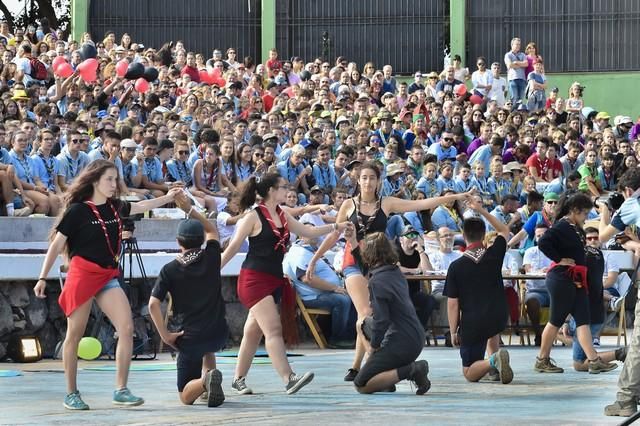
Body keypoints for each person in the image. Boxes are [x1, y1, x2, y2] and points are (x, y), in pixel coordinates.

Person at [33, 160, 182, 410]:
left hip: (108, 274)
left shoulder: (115, 207)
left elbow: (141, 205)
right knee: (75, 335)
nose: (115, 185)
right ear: (94, 181)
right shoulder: (78, 211)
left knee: (126, 327)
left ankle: (121, 390)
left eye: (116, 179)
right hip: (82, 275)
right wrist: (42, 277)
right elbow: (57, 245)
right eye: (109, 180)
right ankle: (71, 393)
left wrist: (168, 197)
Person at [306, 161, 473, 381]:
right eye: (364, 177)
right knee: (365, 315)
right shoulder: (348, 205)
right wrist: (314, 259)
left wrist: (455, 197)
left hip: (378, 263)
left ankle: (358, 366)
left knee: (369, 315)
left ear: (378, 181)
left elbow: (419, 203)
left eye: (372, 178)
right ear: (358, 180)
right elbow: (334, 234)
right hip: (353, 260)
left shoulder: (387, 203)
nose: (367, 182)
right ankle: (374, 362)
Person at [220, 172, 350, 395]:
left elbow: (308, 231)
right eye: (283, 187)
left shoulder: (282, 214)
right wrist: (212, 270)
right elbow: (232, 248)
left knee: (253, 331)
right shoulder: (252, 216)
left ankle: (238, 379)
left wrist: (336, 227)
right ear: (271, 190)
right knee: (273, 329)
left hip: (273, 279)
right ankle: (288, 378)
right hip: (254, 280)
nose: (288, 191)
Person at [148, 190, 227, 407]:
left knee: (184, 396)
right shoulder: (211, 256)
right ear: (202, 240)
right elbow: (212, 229)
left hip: (190, 336)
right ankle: (211, 378)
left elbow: (153, 303)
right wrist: (190, 209)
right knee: (208, 346)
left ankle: (205, 381)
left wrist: (164, 335)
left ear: (177, 241)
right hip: (218, 332)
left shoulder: (170, 269)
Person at [533, 191, 617, 374]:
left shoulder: (574, 227)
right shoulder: (562, 225)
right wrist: (559, 259)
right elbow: (544, 242)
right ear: (574, 210)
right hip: (562, 277)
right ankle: (542, 359)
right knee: (556, 319)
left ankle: (594, 360)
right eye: (585, 214)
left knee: (583, 319)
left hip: (575, 279)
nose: (586, 218)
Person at [349, 231, 431, 395]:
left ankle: (412, 370)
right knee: (362, 324)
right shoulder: (396, 272)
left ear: (369, 255)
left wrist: (374, 347)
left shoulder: (377, 281)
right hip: (416, 335)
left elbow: (382, 321)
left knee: (361, 384)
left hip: (401, 341)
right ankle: (384, 378)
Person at [444, 196, 514, 384]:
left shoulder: (456, 266)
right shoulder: (494, 254)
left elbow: (452, 303)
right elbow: (504, 230)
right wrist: (481, 210)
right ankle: (495, 367)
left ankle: (493, 360)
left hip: (473, 322)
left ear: (463, 236)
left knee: (469, 372)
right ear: (484, 235)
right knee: (492, 329)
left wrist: (452, 331)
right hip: (498, 316)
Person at [557, 226, 627, 373]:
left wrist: (567, 320)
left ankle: (621, 353)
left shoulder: (580, 260)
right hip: (596, 314)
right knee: (582, 354)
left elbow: (574, 292)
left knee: (580, 364)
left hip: (584, 317)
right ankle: (592, 349)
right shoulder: (598, 256)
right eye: (590, 238)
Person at [283, 224, 356, 347]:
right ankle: (338, 339)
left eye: (315, 231)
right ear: (301, 235)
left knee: (354, 296)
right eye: (310, 231)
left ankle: (351, 336)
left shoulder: (310, 250)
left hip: (322, 292)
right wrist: (335, 288)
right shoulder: (298, 253)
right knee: (342, 300)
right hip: (311, 296)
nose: (314, 234)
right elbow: (307, 278)